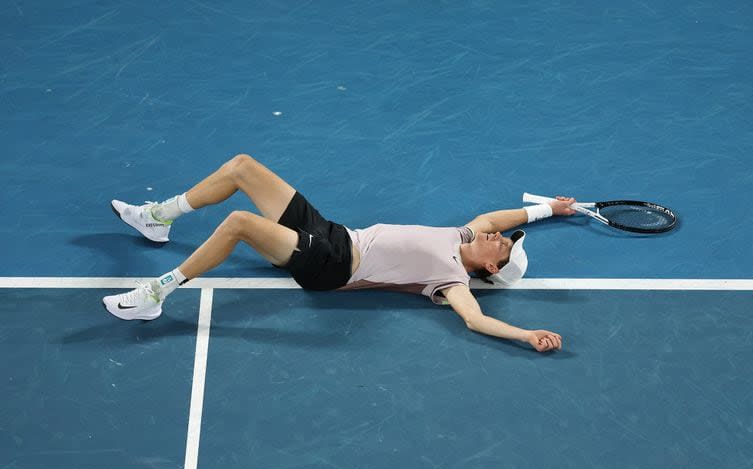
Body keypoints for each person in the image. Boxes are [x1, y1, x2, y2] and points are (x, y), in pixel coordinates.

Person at [102, 154, 576, 352]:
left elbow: (475, 321)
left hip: (330, 265)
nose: (498, 236)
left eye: (503, 247)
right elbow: (494, 219)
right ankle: (159, 216)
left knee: (240, 224)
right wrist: (545, 211)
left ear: (492, 267)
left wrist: (524, 333)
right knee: (243, 167)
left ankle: (157, 293)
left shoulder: (451, 279)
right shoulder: (462, 235)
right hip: (331, 232)